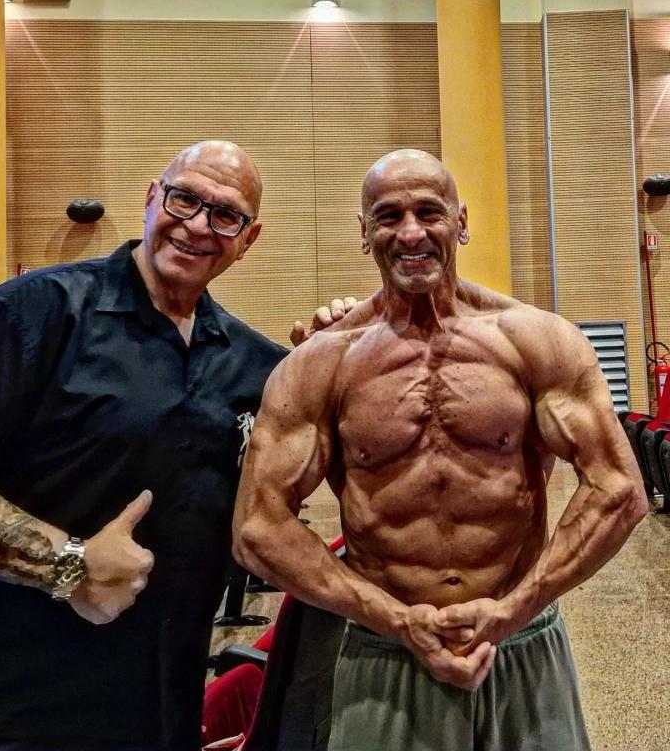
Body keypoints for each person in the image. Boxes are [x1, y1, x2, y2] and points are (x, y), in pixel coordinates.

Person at [0, 140, 351, 751]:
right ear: (152, 197)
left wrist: (341, 363)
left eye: (226, 214)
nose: (198, 225)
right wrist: (69, 566)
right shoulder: (30, 314)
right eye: (184, 199)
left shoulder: (255, 367)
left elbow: (302, 499)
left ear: (248, 238)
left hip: (160, 714)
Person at [233, 149, 648, 751]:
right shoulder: (322, 363)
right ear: (364, 233)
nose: (410, 233)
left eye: (429, 212)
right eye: (388, 216)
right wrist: (396, 620)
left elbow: (619, 489)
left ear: (461, 222)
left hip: (522, 640)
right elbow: (257, 528)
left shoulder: (536, 340)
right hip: (384, 650)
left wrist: (514, 608)